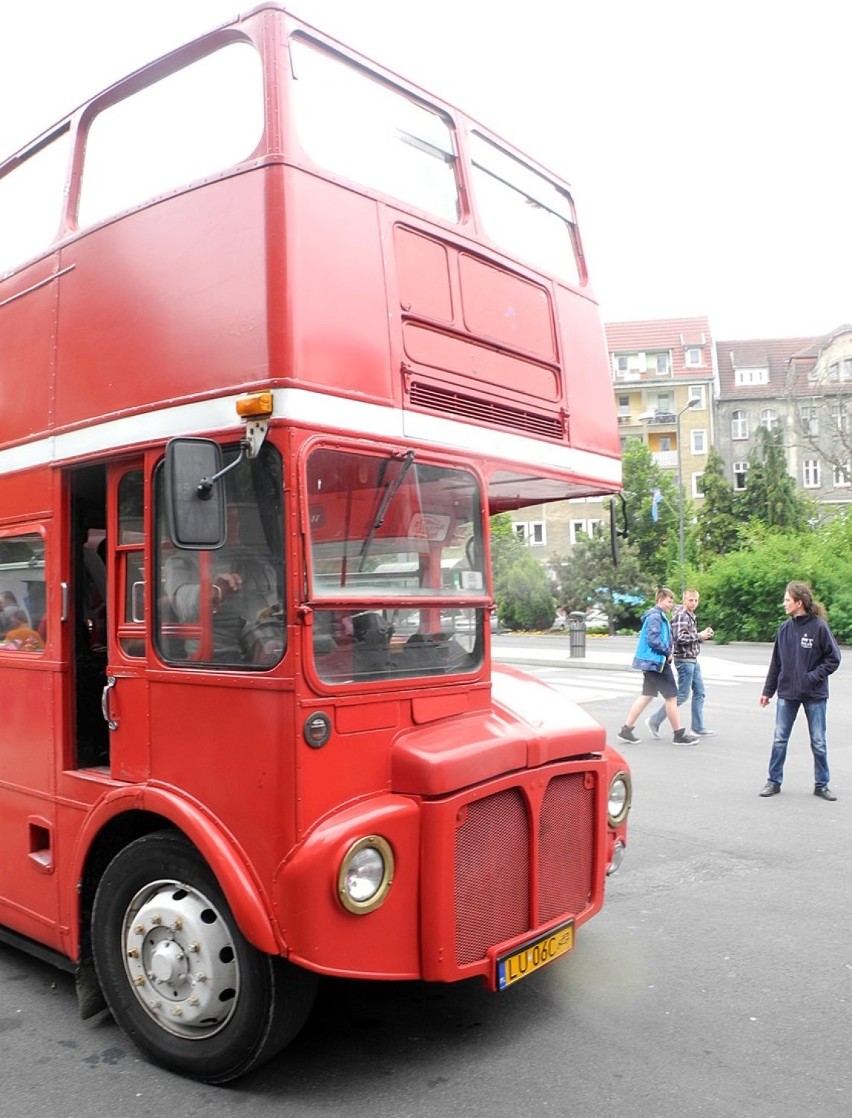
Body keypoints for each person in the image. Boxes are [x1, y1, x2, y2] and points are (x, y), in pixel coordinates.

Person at [164, 504, 280, 664]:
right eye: (226, 522)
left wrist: (266, 640)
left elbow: (268, 606)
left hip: (256, 648)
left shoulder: (253, 560)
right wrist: (212, 590)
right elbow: (181, 603)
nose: (234, 527)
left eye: (236, 521)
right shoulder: (182, 560)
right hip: (213, 657)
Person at [758, 580, 841, 800]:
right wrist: (768, 691)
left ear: (799, 602)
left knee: (818, 741)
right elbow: (776, 663)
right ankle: (773, 781)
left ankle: (821, 785)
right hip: (787, 693)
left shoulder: (819, 627)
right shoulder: (784, 629)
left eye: (787, 600)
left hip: (814, 694)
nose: (783, 603)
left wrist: (812, 677)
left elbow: (834, 658)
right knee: (779, 739)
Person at [618, 587, 699, 746]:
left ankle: (626, 730)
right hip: (657, 663)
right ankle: (679, 734)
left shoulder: (656, 616)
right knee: (672, 697)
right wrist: (667, 652)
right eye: (669, 601)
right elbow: (653, 640)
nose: (671, 604)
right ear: (660, 600)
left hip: (650, 663)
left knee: (647, 695)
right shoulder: (655, 617)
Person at [646, 588, 715, 739]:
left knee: (700, 692)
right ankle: (654, 720)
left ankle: (697, 727)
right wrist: (699, 636)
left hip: (693, 659)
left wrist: (701, 636)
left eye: (696, 600)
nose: (693, 603)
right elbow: (679, 638)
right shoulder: (681, 615)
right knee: (681, 696)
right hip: (684, 660)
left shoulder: (690, 615)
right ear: (684, 600)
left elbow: (688, 637)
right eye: (690, 600)